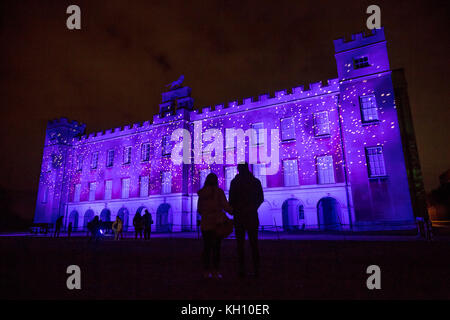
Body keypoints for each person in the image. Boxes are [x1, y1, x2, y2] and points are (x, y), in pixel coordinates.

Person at [229, 162, 264, 278]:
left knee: (240, 245)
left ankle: (241, 269)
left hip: (239, 216)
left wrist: (235, 210)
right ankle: (257, 269)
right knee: (254, 244)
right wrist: (253, 207)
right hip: (252, 215)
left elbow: (231, 200)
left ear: (239, 169)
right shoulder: (255, 181)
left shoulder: (234, 182)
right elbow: (260, 198)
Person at [197, 172, 232, 279]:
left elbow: (199, 210)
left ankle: (206, 271)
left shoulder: (202, 193)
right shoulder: (219, 192)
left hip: (205, 223)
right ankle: (216, 271)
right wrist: (233, 211)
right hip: (217, 223)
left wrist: (206, 214)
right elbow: (226, 207)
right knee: (217, 248)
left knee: (207, 248)